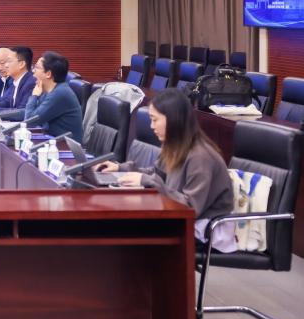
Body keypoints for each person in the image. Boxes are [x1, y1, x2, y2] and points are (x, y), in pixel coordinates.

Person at [95, 89, 234, 239]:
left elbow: (190, 208)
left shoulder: (201, 156)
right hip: (179, 221)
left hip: (203, 232)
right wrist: (120, 168)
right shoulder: (175, 145)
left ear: (173, 120)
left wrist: (149, 181)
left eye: (155, 120)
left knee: (124, 231)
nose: (151, 126)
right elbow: (157, 173)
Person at [23, 52, 84, 142]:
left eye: (37, 67)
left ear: (48, 74)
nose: (33, 71)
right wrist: (2, 115)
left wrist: (34, 96)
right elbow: (32, 112)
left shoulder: (60, 93)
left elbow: (29, 121)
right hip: (53, 141)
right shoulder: (51, 90)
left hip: (65, 147)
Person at [0, 46, 36, 119]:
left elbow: (22, 113)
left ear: (21, 64)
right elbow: (7, 102)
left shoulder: (31, 83)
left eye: (9, 61)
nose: (6, 65)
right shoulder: (17, 81)